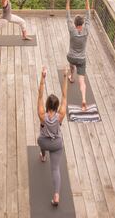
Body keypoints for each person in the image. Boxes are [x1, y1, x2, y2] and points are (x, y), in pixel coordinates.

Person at [36, 66, 69, 207]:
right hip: (56, 144)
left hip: (44, 142)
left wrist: (43, 78)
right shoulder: (60, 115)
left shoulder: (42, 114)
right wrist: (65, 77)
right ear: (56, 106)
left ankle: (43, 156)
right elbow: (65, 96)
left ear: (48, 105)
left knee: (41, 140)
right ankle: (56, 196)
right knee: (55, 169)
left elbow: (40, 95)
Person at [65, 0, 91, 111]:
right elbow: (88, 13)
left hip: (71, 56)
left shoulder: (72, 29)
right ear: (83, 24)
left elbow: (67, 14)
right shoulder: (86, 30)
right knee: (82, 82)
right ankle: (84, 100)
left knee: (71, 64)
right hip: (81, 59)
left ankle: (71, 75)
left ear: (75, 24)